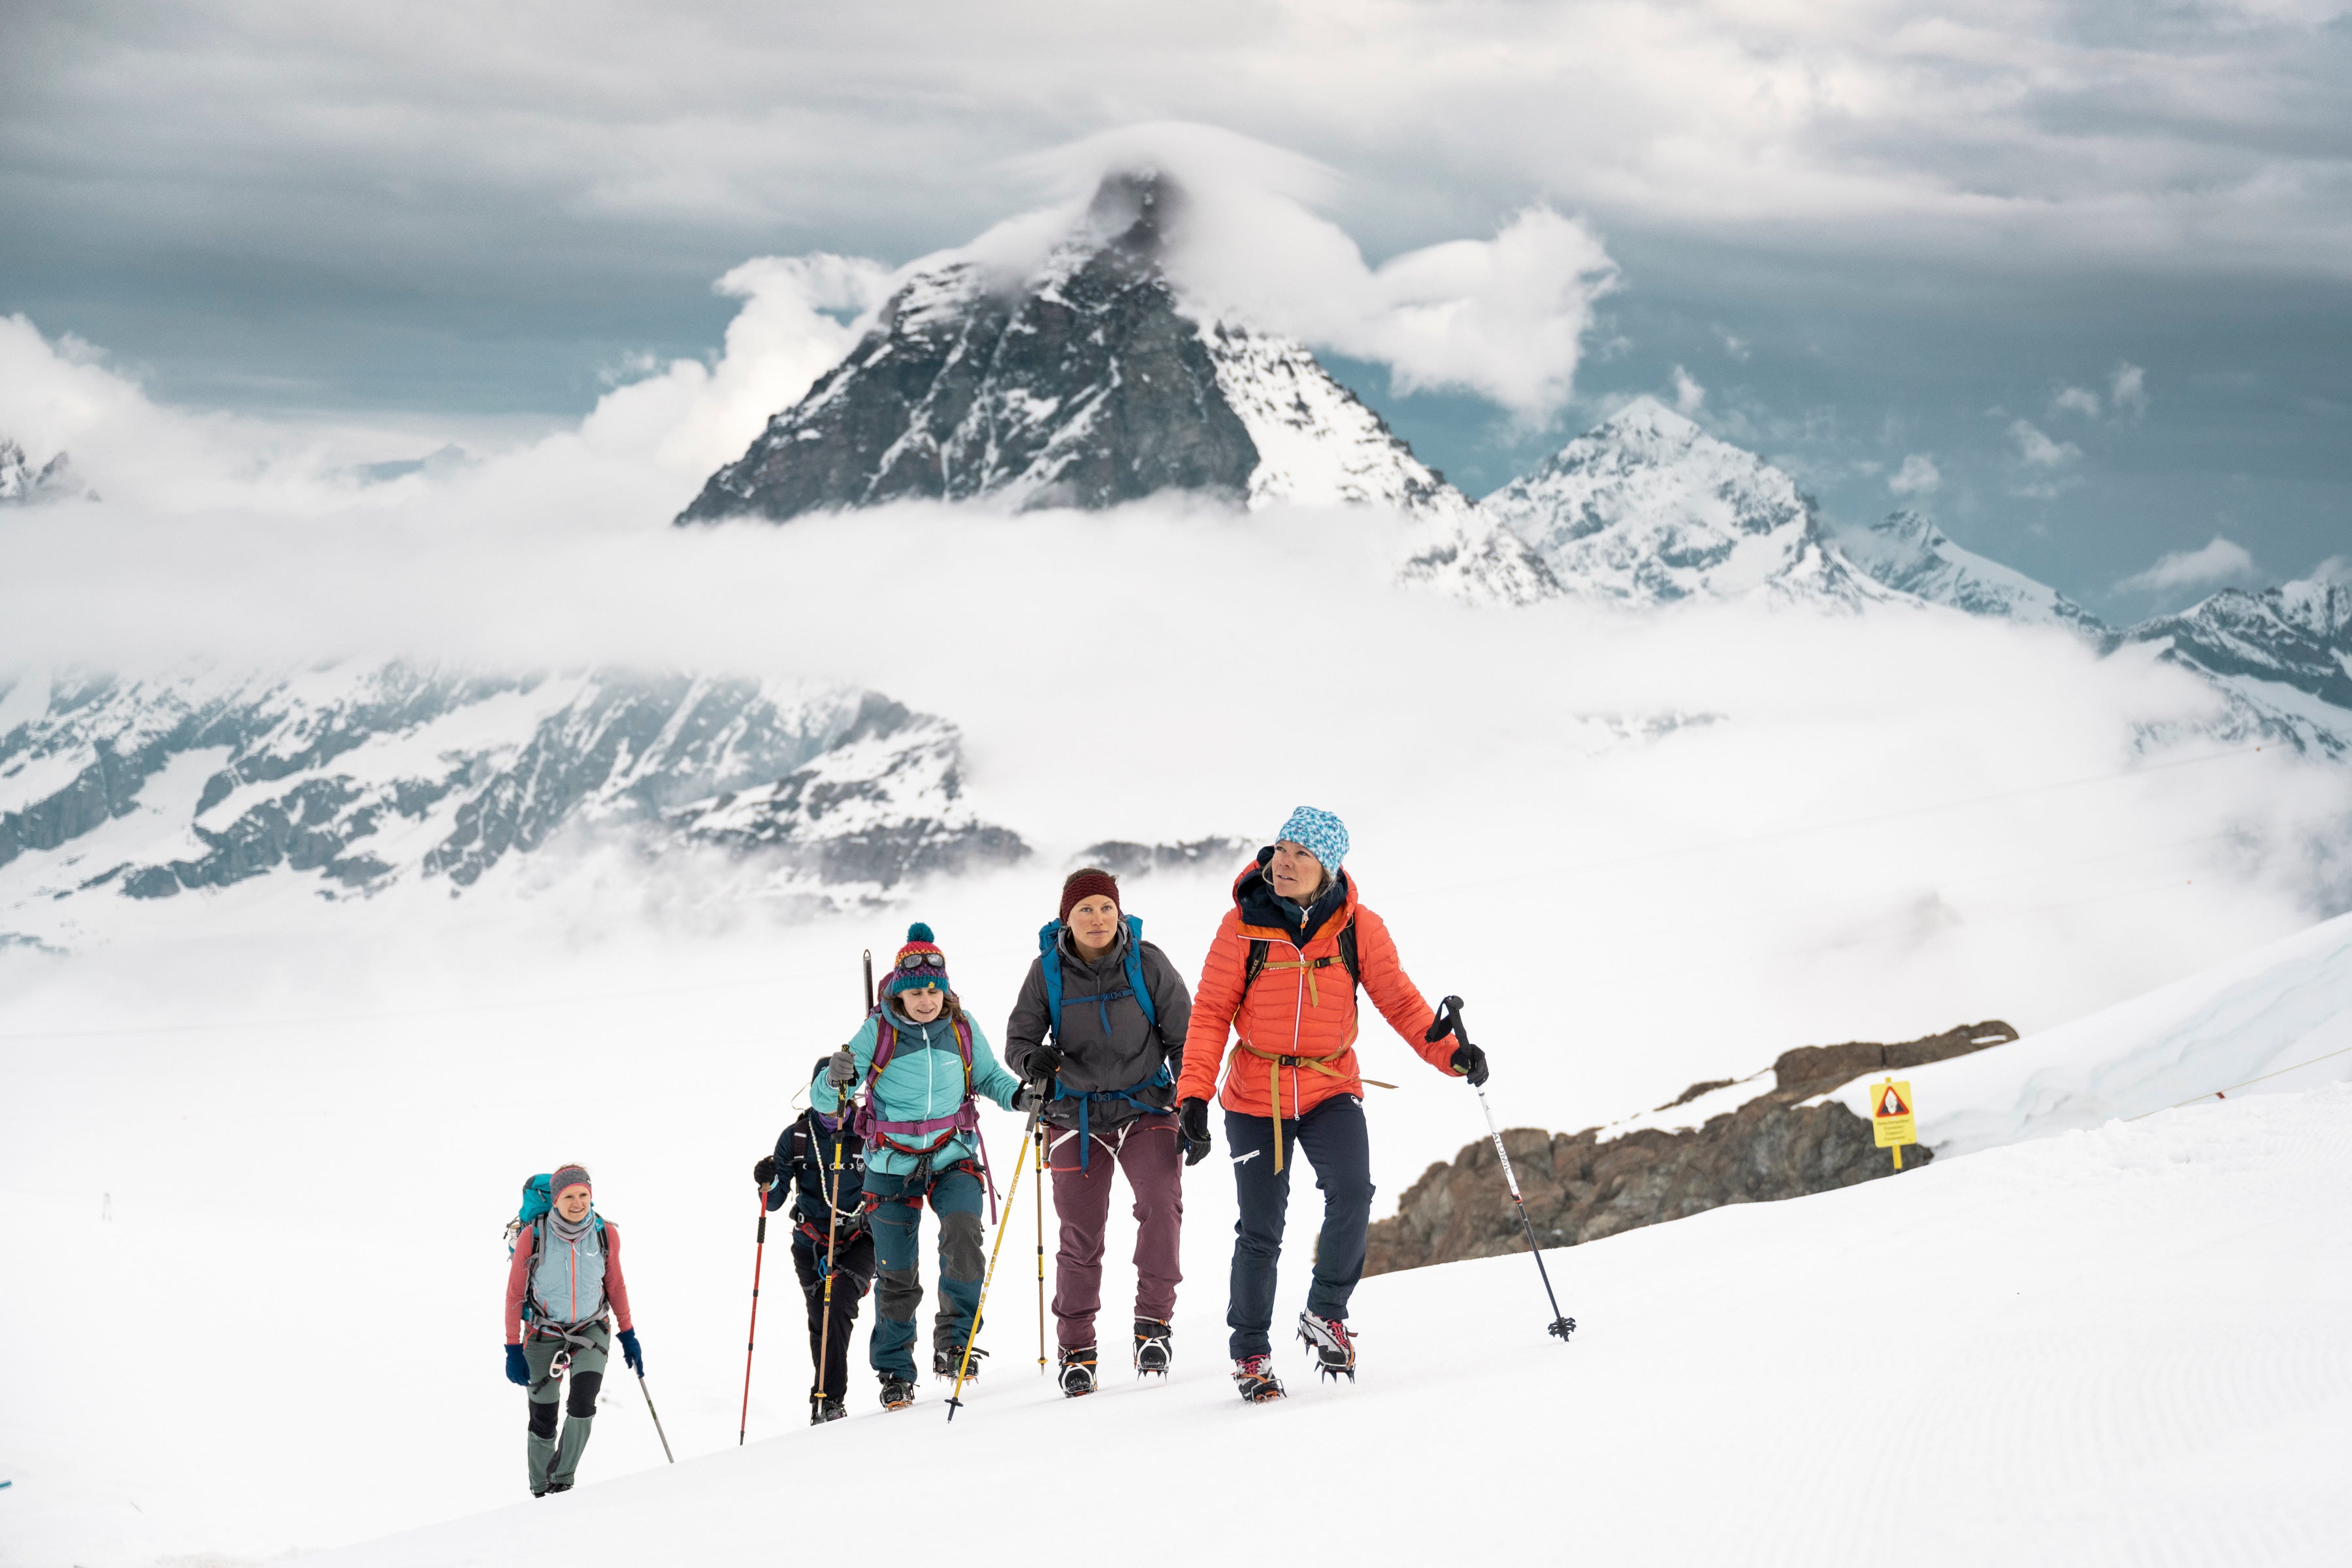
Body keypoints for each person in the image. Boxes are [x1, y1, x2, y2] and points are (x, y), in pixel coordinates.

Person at [1175, 808, 1488, 1403]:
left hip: (1329, 1087)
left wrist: (1452, 1054)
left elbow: (1400, 1001)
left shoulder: (1358, 927)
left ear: (1329, 866)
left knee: (1353, 1191)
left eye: (1301, 854)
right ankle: (1251, 1354)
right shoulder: (1241, 924)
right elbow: (1212, 1012)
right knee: (1261, 1231)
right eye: (1280, 849)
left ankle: (1326, 1311)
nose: (1284, 862)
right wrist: (1193, 1095)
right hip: (1253, 1096)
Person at [816, 923, 1026, 1410]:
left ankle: (956, 1343)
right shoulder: (878, 1030)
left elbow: (991, 1077)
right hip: (890, 1164)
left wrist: (1018, 1096)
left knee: (963, 1236)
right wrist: (834, 1075)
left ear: (944, 989)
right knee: (896, 1273)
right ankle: (895, 1370)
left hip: (953, 1155)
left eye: (934, 989)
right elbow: (830, 1101)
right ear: (899, 991)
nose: (926, 999)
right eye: (916, 991)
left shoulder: (962, 1026)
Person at [1003, 867, 1194, 1396]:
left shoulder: (1146, 962)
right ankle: (1077, 1349)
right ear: (1066, 918)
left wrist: (1192, 1100)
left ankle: (1153, 1325)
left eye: (1105, 907)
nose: (1097, 918)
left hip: (1145, 1107)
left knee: (1161, 1205)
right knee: (1081, 1235)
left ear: (1119, 911)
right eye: (1085, 909)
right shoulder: (1047, 972)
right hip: (1072, 1115)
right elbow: (1018, 1040)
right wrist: (1031, 1059)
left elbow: (1187, 1036)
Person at [503, 1164, 643, 1495]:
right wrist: (512, 1347)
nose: (577, 1202)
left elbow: (616, 1285)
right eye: (568, 1196)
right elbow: (514, 1294)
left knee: (583, 1405)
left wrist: (628, 1333)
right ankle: (540, 1489)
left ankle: (562, 1483)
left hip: (592, 1329)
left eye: (583, 1194)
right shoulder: (533, 1236)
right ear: (556, 1200)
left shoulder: (605, 1233)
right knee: (544, 1419)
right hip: (543, 1335)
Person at [755, 1059, 874, 1424]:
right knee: (820, 1320)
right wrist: (767, 1180)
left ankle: (829, 1401)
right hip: (810, 1242)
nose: (838, 1101)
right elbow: (773, 1202)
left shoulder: (868, 1129)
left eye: (845, 1091)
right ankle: (824, 1403)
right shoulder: (795, 1137)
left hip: (860, 1238)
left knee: (836, 1304)